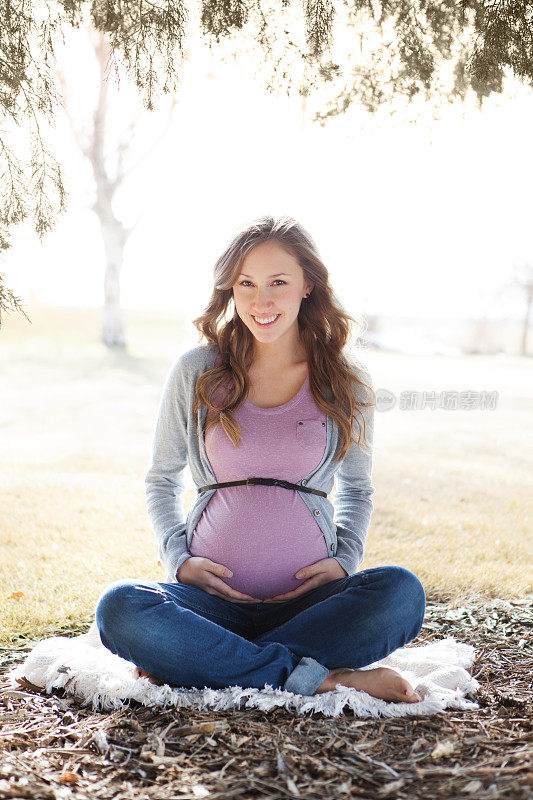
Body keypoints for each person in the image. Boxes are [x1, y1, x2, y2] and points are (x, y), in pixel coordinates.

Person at [95, 215, 426, 702]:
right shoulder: (197, 371)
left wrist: (346, 557)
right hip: (207, 605)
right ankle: (321, 676)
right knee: (120, 608)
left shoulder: (346, 381)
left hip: (311, 608)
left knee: (401, 593)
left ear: (307, 285)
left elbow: (357, 488)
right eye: (246, 284)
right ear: (230, 289)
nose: (260, 301)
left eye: (278, 283)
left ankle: (210, 660)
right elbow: (161, 479)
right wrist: (178, 556)